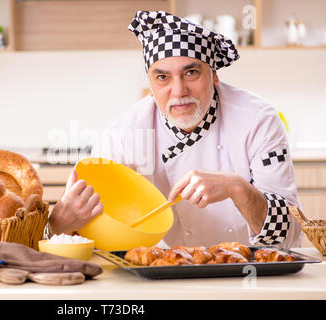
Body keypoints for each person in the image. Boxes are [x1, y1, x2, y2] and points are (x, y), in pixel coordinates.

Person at [48, 10, 301, 249]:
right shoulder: (124, 134)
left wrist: (238, 188)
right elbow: (93, 238)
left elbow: (289, 236)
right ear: (150, 83)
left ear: (214, 75)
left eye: (191, 73)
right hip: (160, 274)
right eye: (163, 78)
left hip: (246, 272)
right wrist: (58, 225)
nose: (178, 91)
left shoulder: (257, 120)